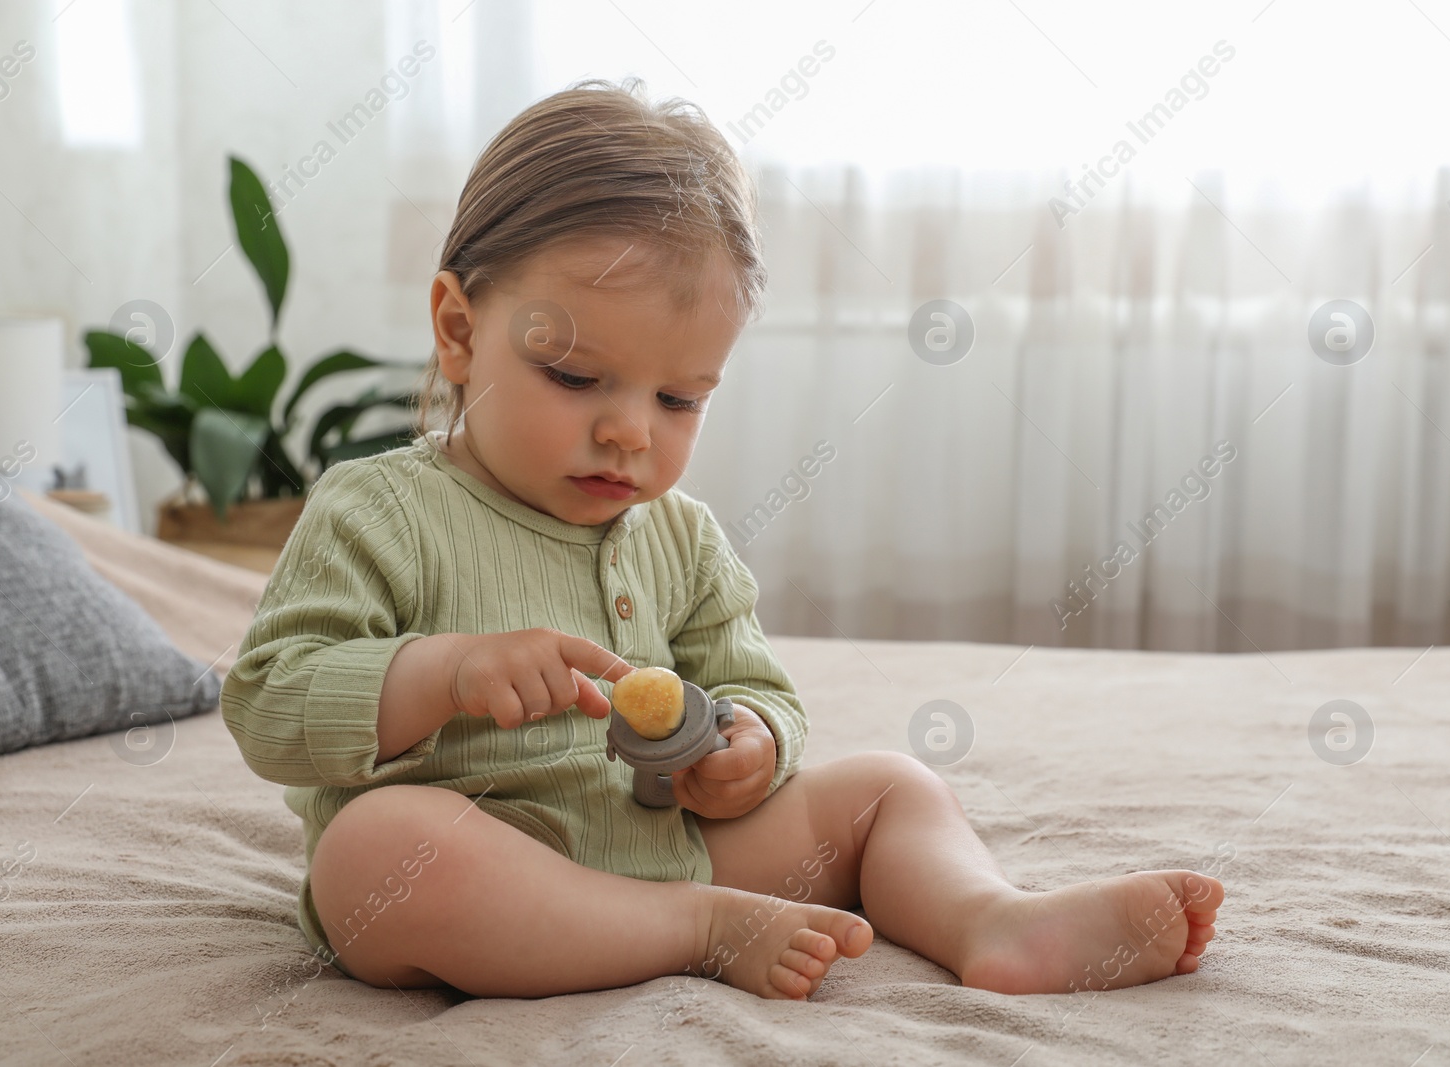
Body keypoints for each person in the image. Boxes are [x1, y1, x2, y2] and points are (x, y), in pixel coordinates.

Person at [220, 77, 1223, 1002]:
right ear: (457, 328)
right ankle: (692, 929)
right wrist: (437, 672)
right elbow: (266, 701)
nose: (629, 429)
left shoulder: (681, 537)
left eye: (678, 397)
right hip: (485, 862)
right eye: (575, 378)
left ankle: (989, 919)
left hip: (667, 837)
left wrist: (747, 744)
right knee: (378, 848)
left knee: (888, 786)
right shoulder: (376, 508)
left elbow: (757, 687)